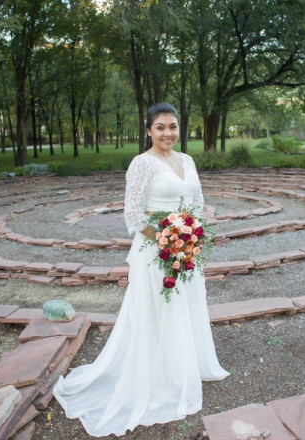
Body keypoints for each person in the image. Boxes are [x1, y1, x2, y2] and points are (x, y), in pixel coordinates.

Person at [53, 102, 229, 437]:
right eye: (160, 127)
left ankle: (183, 367)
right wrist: (168, 239)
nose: (168, 133)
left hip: (185, 247)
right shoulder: (141, 164)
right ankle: (158, 372)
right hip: (155, 251)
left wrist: (191, 235)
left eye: (173, 126)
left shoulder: (187, 160)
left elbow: (197, 202)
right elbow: (134, 216)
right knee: (159, 308)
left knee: (185, 305)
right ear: (148, 130)